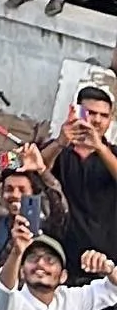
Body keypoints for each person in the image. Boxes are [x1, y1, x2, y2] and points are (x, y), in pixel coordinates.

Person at [0, 145, 69, 282]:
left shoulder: (46, 227)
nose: (15, 195)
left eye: (22, 190)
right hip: (1, 292)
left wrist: (42, 170)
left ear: (34, 194)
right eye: (9, 189)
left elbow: (61, 208)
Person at [45, 88, 117, 284]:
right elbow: (27, 166)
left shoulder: (112, 154)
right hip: (61, 262)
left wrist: (99, 147)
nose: (97, 120)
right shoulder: (58, 150)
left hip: (105, 265)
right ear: (76, 111)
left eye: (104, 115)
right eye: (91, 113)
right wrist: (60, 142)